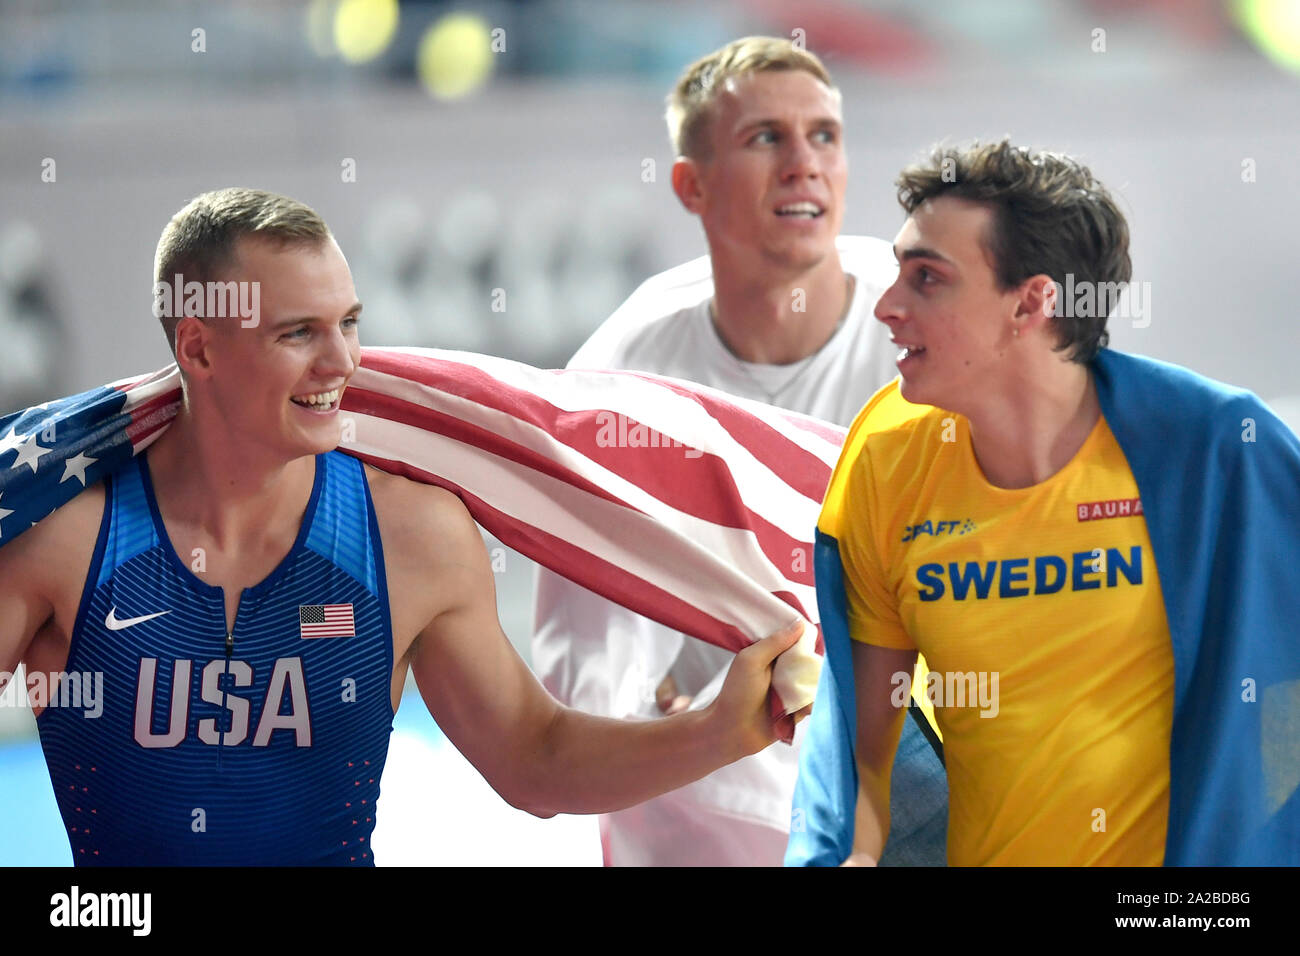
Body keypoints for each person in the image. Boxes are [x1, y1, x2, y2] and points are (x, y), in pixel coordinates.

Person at [0, 187, 807, 866]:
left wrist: (720, 731)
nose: (342, 362)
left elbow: (535, 757)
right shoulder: (63, 541)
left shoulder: (410, 532)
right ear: (199, 349)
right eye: (299, 334)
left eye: (348, 323)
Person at [787, 140, 1300, 866]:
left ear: (1030, 302)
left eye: (926, 279)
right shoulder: (887, 458)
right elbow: (858, 758)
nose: (886, 306)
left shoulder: (1216, 449)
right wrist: (853, 856)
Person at [532, 36, 948, 866]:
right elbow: (584, 698)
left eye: (824, 135)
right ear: (691, 185)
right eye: (765, 138)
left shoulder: (929, 334)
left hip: (911, 767)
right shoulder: (618, 384)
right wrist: (695, 723)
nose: (805, 164)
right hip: (702, 804)